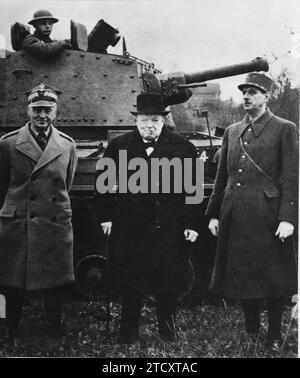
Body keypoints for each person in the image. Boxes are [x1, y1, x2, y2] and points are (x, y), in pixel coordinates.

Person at [95, 92, 200, 344]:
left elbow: (194, 192)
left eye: (154, 120)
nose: (149, 125)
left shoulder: (183, 147)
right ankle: (127, 335)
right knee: (131, 283)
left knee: (168, 283)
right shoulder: (119, 146)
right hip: (131, 229)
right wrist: (106, 217)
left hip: (169, 229)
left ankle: (168, 334)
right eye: (143, 120)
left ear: (163, 121)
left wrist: (192, 224)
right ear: (136, 121)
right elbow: (103, 185)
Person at [206, 73, 298, 350]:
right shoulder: (233, 131)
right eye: (244, 91)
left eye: (254, 92)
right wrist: (213, 213)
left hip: (268, 217)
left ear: (266, 96)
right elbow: (222, 176)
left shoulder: (285, 128)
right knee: (244, 275)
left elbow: (293, 177)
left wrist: (288, 218)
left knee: (273, 278)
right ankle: (252, 330)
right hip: (236, 214)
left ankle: (274, 334)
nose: (246, 96)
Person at [0, 83, 78, 342]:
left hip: (52, 220)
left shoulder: (67, 145)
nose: (42, 115)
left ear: (56, 112)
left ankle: (54, 327)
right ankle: (12, 329)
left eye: (48, 110)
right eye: (37, 109)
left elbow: (67, 183)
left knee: (54, 282)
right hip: (19, 221)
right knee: (13, 282)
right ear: (28, 111)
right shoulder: (8, 144)